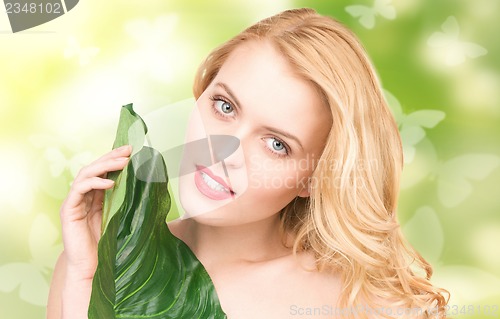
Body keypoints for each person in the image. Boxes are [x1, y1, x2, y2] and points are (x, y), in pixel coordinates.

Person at [47, 8, 449, 319]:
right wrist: (85, 280)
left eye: (276, 144)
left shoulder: (358, 304)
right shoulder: (96, 260)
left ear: (313, 176)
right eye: (224, 106)